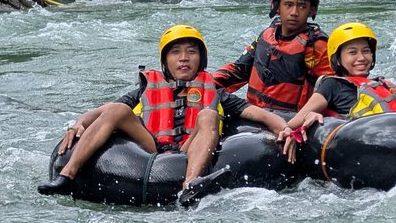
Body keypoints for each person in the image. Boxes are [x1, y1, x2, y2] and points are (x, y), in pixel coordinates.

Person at [38, 24, 296, 197]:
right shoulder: (146, 87)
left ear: (201, 59)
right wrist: (78, 124)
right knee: (118, 109)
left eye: (191, 52)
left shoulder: (214, 92)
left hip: (187, 147)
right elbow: (99, 112)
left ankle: (189, 186)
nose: (184, 58)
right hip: (148, 145)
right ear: (165, 60)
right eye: (176, 53)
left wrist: (284, 129)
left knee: (207, 114)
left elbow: (259, 114)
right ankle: (67, 176)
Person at [212, 0, 332, 115]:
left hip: (291, 120)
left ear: (311, 10)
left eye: (302, 6)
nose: (294, 12)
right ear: (277, 7)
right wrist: (206, 83)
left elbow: (330, 88)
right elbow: (239, 70)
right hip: (254, 114)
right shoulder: (267, 35)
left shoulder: (316, 45)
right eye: (288, 5)